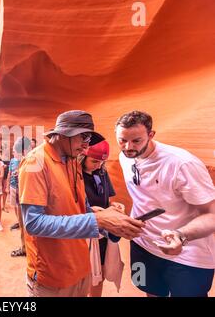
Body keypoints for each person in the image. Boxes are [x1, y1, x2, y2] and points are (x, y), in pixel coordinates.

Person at [18, 110, 145, 297]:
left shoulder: (72, 161)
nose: (86, 146)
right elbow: (34, 224)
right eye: (83, 137)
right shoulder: (35, 163)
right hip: (53, 276)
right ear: (62, 134)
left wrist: (104, 216)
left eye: (90, 140)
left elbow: (76, 207)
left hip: (80, 267)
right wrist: (97, 220)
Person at [115, 110, 215, 297]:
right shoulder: (125, 157)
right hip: (143, 246)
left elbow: (212, 214)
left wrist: (181, 235)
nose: (128, 147)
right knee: (149, 290)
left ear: (151, 135)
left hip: (186, 253)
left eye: (136, 140)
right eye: (122, 140)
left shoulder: (181, 164)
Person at [79, 140, 123, 297]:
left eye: (102, 161)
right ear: (82, 157)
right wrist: (89, 211)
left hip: (102, 232)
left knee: (100, 274)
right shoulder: (75, 176)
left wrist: (114, 206)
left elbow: (106, 201)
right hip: (83, 233)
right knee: (84, 276)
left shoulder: (102, 172)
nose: (98, 165)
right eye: (94, 161)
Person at [6, 137, 31, 257]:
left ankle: (26, 249)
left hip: (25, 198)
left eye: (15, 151)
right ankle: (27, 247)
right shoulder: (30, 161)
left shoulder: (27, 162)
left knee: (24, 224)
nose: (14, 153)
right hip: (26, 198)